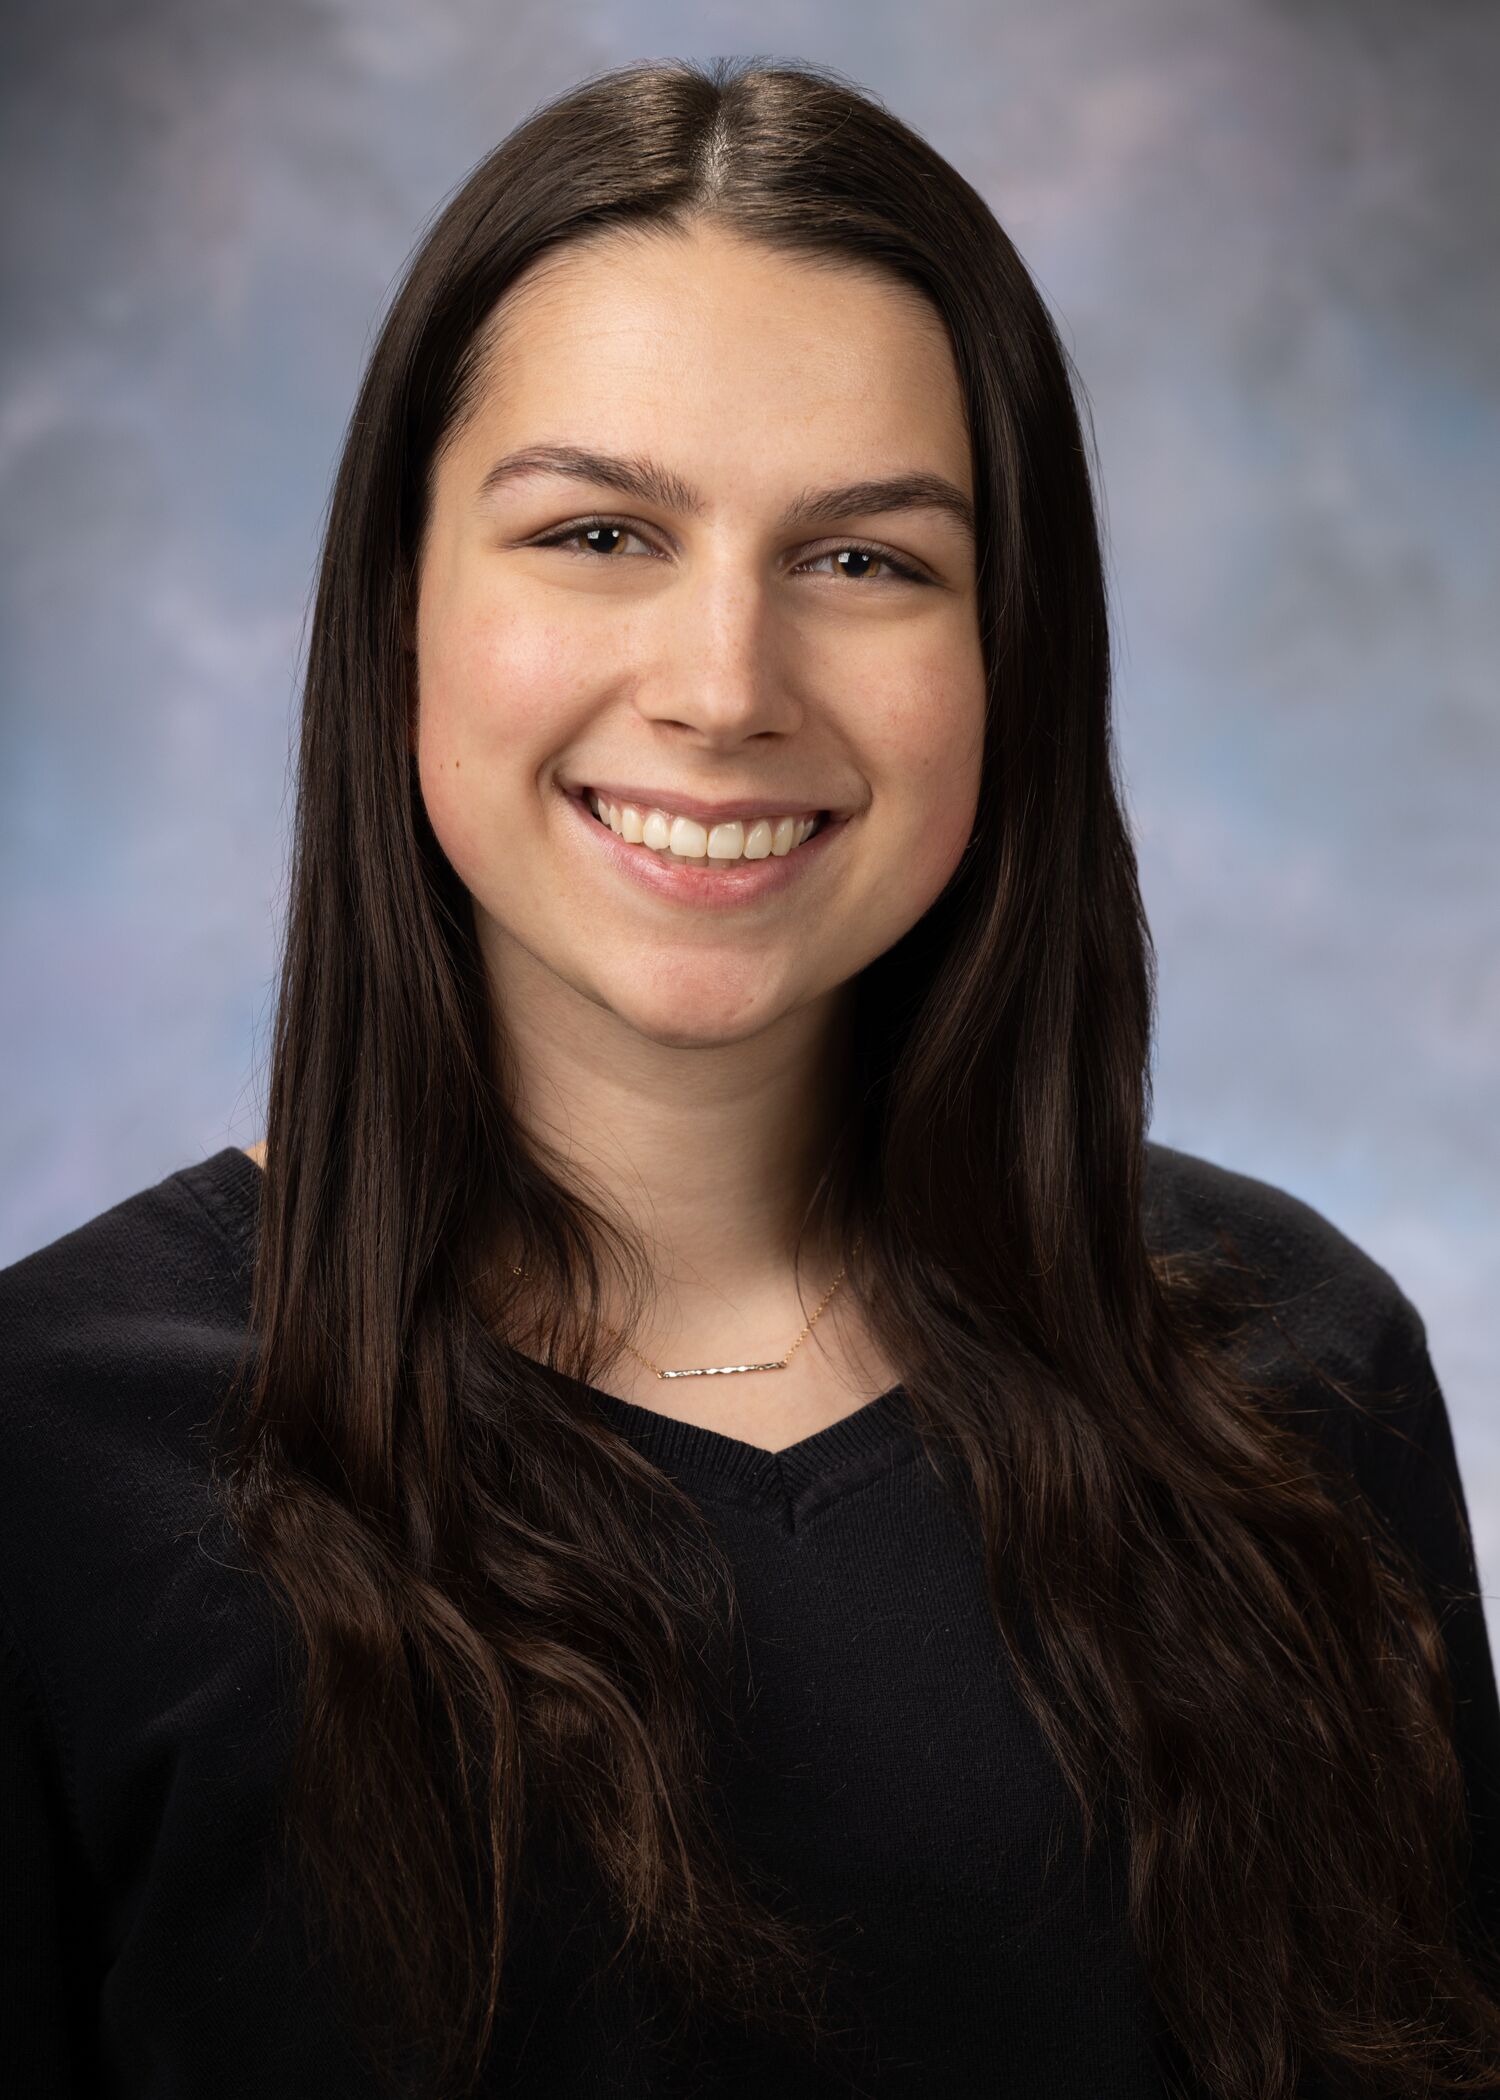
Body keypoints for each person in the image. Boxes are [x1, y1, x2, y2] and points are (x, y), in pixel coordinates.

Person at [2, 55, 1498, 2100]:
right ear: (396, 613)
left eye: (866, 561)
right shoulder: (50, 1461)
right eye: (601, 530)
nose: (723, 686)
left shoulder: (1297, 1378)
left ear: (1014, 660)